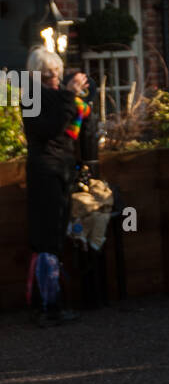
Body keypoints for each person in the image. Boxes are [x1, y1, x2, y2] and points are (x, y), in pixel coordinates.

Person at [23, 46, 96, 325]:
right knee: (47, 238)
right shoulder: (30, 94)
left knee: (54, 236)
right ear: (37, 75)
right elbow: (48, 129)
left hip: (59, 171)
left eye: (56, 74)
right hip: (45, 172)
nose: (54, 79)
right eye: (48, 75)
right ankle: (48, 306)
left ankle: (49, 303)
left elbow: (70, 126)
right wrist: (69, 94)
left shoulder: (53, 95)